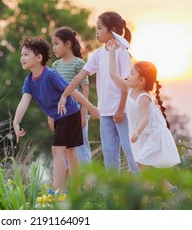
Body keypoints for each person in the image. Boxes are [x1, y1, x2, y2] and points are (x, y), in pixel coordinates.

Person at [13, 37, 100, 201]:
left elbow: (72, 90)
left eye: (26, 54)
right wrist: (16, 122)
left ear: (39, 58)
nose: (22, 58)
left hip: (69, 113)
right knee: (70, 152)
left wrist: (89, 107)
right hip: (62, 117)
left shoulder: (50, 75)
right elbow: (24, 101)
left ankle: (57, 192)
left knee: (57, 150)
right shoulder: (29, 81)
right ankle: (77, 193)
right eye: (21, 55)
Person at [58, 12, 138, 173]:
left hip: (122, 112)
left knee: (131, 151)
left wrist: (121, 108)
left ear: (112, 30)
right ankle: (113, 191)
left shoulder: (122, 52)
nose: (96, 32)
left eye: (100, 28)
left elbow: (126, 85)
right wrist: (65, 94)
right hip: (105, 112)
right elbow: (80, 75)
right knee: (109, 153)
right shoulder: (98, 54)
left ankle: (142, 189)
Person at [106, 39, 181, 191]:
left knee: (141, 162)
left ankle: (144, 190)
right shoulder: (129, 88)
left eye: (131, 73)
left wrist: (136, 132)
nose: (128, 75)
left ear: (141, 80)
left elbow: (145, 118)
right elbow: (113, 75)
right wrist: (112, 52)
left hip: (152, 134)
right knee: (144, 165)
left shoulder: (143, 97)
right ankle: (171, 191)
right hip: (142, 135)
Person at [51, 27, 92, 165]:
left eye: (56, 43)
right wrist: (51, 115)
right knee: (65, 148)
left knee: (81, 148)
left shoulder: (79, 63)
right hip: (61, 114)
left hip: (77, 112)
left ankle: (88, 182)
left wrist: (83, 113)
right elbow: (54, 92)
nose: (54, 47)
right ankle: (69, 183)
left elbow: (85, 89)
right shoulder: (55, 65)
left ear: (67, 44)